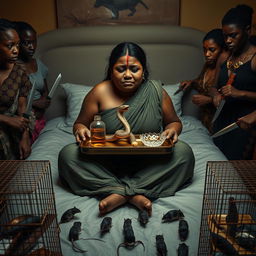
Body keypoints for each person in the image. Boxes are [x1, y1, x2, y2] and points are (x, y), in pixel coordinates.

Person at [58, 42, 195, 216]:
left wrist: (173, 130)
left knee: (184, 153)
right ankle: (135, 194)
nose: (128, 75)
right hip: (106, 163)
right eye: (121, 69)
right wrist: (80, 131)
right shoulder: (100, 91)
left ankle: (118, 193)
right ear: (111, 71)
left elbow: (174, 122)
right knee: (68, 155)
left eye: (134, 69)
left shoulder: (155, 91)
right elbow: (80, 124)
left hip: (149, 163)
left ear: (143, 71)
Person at [212, 4, 256, 160]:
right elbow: (213, 87)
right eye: (225, 36)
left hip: (245, 123)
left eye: (233, 35)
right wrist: (215, 95)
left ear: (248, 30)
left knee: (236, 171)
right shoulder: (224, 57)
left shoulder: (254, 58)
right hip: (222, 120)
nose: (228, 41)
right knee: (217, 165)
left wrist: (241, 93)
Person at [179, 29, 229, 132]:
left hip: (220, 122)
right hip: (205, 121)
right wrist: (191, 82)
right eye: (204, 50)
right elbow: (202, 82)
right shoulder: (208, 65)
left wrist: (209, 101)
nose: (207, 54)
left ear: (223, 49)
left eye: (212, 50)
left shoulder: (226, 71)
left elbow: (232, 102)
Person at [0, 19, 32, 159]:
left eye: (17, 45)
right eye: (10, 45)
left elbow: (22, 109)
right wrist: (6, 119)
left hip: (12, 130)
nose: (16, 51)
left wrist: (25, 138)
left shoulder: (20, 73)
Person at [15, 21, 50, 143]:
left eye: (34, 42)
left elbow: (45, 90)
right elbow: (10, 101)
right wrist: (35, 103)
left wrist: (45, 101)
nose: (32, 47)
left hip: (39, 119)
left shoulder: (38, 64)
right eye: (27, 43)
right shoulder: (12, 68)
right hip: (21, 119)